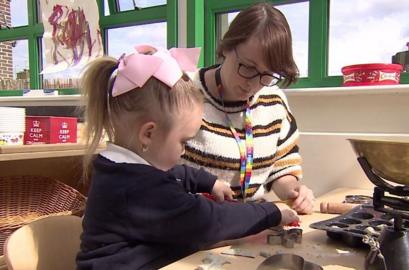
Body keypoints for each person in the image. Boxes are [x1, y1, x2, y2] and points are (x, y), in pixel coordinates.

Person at [76, 45, 299, 270]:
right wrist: (270, 213)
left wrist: (209, 182)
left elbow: (175, 173)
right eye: (183, 141)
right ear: (148, 134)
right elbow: (210, 221)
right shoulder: (138, 188)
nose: (184, 150)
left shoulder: (121, 169)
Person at [181, 3, 315, 214]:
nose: (253, 83)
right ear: (226, 47)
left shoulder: (274, 101)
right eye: (248, 67)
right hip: (196, 224)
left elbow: (281, 167)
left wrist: (294, 191)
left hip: (250, 224)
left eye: (268, 74)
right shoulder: (184, 92)